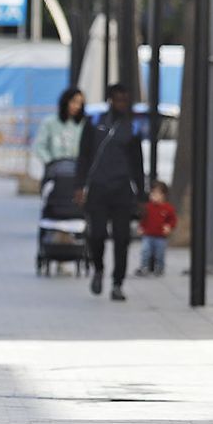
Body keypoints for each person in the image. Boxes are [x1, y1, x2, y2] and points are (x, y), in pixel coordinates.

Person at [75, 84, 145, 301]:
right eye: (118, 99)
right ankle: (98, 269)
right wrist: (79, 186)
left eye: (125, 100)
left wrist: (141, 194)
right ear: (110, 100)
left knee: (122, 238)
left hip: (122, 189)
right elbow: (84, 156)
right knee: (97, 234)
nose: (122, 104)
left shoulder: (132, 128)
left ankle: (117, 283)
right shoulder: (95, 123)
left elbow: (138, 163)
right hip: (98, 187)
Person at [34, 87, 86, 168]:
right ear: (66, 101)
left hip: (77, 170)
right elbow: (39, 146)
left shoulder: (83, 124)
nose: (77, 106)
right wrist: (50, 162)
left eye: (80, 103)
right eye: (74, 102)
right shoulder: (50, 122)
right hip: (55, 170)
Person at [137, 180, 177, 277]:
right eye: (152, 193)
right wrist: (141, 228)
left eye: (157, 194)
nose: (154, 196)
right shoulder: (148, 207)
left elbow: (173, 220)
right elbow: (143, 219)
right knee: (145, 251)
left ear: (163, 195)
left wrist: (169, 227)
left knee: (160, 253)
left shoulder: (168, 208)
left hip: (160, 236)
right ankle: (144, 267)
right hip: (148, 234)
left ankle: (159, 267)